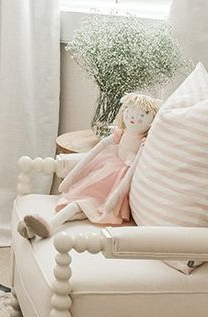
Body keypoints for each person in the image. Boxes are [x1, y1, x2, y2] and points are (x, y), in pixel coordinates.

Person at [19, 93, 160, 239]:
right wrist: (71, 176)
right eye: (129, 111)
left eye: (142, 116)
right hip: (105, 171)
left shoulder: (144, 143)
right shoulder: (120, 133)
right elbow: (96, 150)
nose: (133, 118)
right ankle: (36, 228)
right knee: (79, 206)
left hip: (115, 183)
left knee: (77, 205)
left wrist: (114, 200)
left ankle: (47, 225)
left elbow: (132, 170)